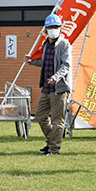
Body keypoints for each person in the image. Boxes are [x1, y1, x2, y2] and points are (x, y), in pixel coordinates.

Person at [25, 14, 72, 155]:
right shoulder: (46, 44)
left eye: (56, 27)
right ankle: (51, 142)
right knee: (40, 115)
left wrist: (56, 78)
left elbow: (66, 65)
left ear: (60, 28)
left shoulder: (65, 44)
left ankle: (54, 148)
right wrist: (31, 61)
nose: (53, 30)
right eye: (50, 27)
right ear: (46, 30)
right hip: (46, 87)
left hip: (60, 88)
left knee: (58, 120)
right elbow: (45, 63)